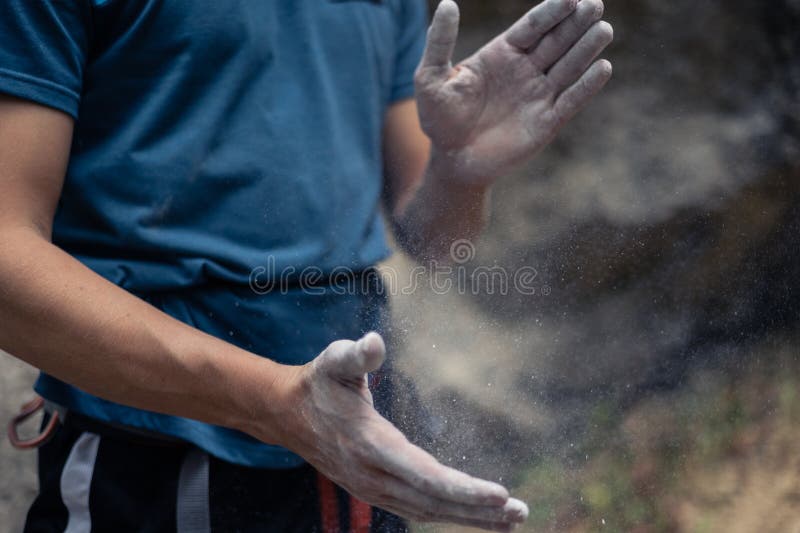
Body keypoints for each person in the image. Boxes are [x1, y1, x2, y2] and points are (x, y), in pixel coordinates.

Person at [0, 0, 612, 531]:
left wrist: (459, 170)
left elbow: (430, 240)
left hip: (355, 436)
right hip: (168, 445)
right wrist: (277, 403)